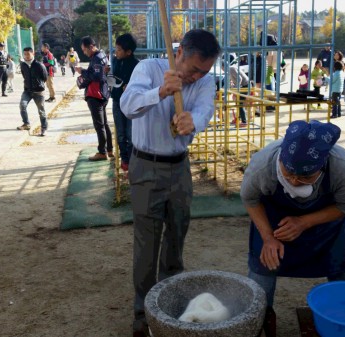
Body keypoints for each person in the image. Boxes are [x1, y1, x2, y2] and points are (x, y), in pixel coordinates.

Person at [120, 28, 221, 337]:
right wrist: (160, 92)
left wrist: (195, 121)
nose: (197, 76)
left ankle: (171, 301)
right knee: (146, 245)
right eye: (193, 69)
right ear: (179, 54)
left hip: (179, 169)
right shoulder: (148, 69)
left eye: (204, 71)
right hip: (145, 166)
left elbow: (205, 109)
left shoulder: (205, 80)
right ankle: (143, 311)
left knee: (176, 238)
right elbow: (128, 105)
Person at [241, 120, 345, 337]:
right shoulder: (263, 164)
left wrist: (305, 222)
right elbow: (250, 200)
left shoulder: (343, 166)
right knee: (261, 278)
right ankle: (260, 323)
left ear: (323, 165)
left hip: (326, 228)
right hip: (275, 224)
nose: (295, 182)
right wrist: (268, 238)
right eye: (288, 173)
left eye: (305, 176)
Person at [76, 36, 114, 161]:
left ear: (91, 47)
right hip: (102, 93)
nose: (84, 52)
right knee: (104, 124)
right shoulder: (101, 55)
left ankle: (102, 152)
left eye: (85, 50)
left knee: (99, 125)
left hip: (95, 95)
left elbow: (97, 76)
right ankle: (109, 149)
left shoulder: (97, 58)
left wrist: (82, 71)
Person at [111, 33, 140, 171]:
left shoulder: (137, 65)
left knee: (131, 133)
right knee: (121, 133)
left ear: (128, 52)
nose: (116, 52)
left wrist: (130, 86)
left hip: (131, 103)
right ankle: (124, 159)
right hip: (117, 100)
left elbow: (141, 84)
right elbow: (114, 77)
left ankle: (133, 159)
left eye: (119, 50)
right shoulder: (115, 61)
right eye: (115, 48)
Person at [16, 47, 48, 137]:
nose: (26, 56)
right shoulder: (23, 65)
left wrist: (38, 84)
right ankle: (26, 124)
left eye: (28, 54)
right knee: (22, 105)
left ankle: (44, 128)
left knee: (41, 111)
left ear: (32, 53)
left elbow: (45, 77)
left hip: (38, 91)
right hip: (27, 91)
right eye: (24, 54)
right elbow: (24, 76)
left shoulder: (39, 65)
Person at [223, 60, 250, 126]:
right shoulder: (229, 70)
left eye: (222, 67)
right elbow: (231, 81)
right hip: (242, 86)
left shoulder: (231, 69)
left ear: (223, 66)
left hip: (245, 85)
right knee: (237, 101)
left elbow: (239, 78)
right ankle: (238, 118)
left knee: (239, 103)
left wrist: (236, 87)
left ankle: (244, 121)